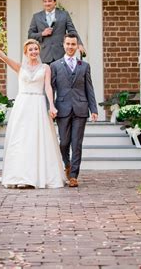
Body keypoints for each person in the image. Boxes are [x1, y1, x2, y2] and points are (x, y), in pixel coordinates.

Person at [0, 39, 66, 189]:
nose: (34, 52)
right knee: (20, 140)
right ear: (26, 52)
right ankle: (19, 175)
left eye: (36, 49)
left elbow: (48, 88)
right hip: (22, 105)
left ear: (39, 51)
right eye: (30, 49)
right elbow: (4, 58)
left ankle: (37, 175)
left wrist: (52, 105)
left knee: (37, 139)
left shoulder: (45, 67)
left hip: (38, 105)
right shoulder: (20, 67)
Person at [51, 33, 98, 188]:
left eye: (73, 44)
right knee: (64, 142)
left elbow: (89, 89)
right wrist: (50, 107)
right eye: (68, 44)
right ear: (63, 45)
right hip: (62, 108)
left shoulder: (84, 66)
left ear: (77, 46)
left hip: (80, 108)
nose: (70, 47)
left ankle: (73, 176)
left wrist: (94, 109)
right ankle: (67, 164)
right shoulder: (55, 66)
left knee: (77, 143)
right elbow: (51, 89)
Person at [28, 0, 85, 64]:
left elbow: (72, 31)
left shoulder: (64, 14)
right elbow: (30, 35)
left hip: (60, 54)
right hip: (44, 55)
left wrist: (79, 44)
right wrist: (42, 33)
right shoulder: (36, 16)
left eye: (50, 1)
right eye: (45, 1)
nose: (47, 4)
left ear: (55, 2)